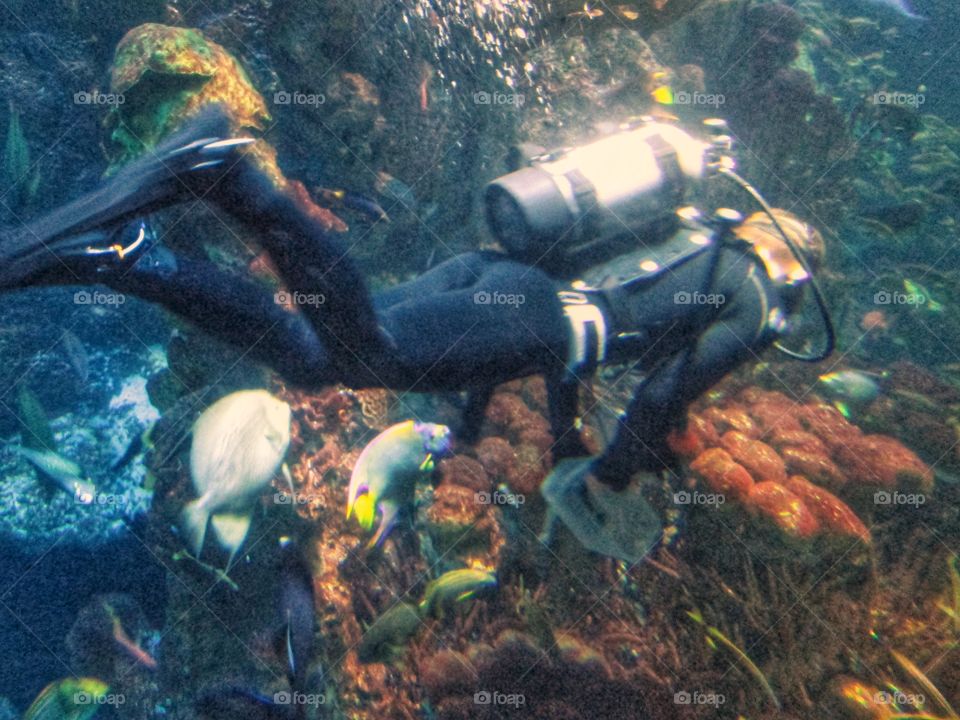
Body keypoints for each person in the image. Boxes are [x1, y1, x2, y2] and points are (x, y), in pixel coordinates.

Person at [0, 107, 828, 562]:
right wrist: (611, 475)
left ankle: (133, 258)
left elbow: (596, 301)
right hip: (539, 318)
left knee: (317, 356)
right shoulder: (762, 298)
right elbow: (661, 393)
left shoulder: (701, 231)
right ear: (797, 262)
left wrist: (507, 422)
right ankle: (232, 177)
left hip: (505, 284)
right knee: (373, 354)